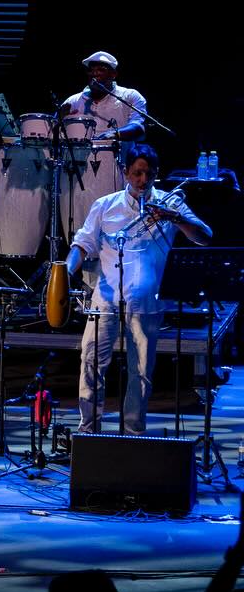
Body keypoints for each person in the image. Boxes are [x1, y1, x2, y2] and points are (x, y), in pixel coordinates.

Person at [65, 143, 211, 433]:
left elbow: (205, 236)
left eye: (149, 174)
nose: (143, 180)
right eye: (137, 174)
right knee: (91, 364)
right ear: (124, 173)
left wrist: (174, 218)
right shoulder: (105, 205)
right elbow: (82, 244)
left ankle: (134, 432)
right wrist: (63, 272)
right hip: (105, 300)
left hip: (146, 303)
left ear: (157, 173)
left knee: (142, 372)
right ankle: (88, 430)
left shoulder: (170, 203)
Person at [60, 51, 146, 143]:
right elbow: (52, 134)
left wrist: (115, 134)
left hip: (119, 156)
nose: (94, 73)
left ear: (114, 74)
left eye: (101, 69)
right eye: (90, 70)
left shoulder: (130, 96)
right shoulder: (72, 101)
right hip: (80, 157)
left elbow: (138, 127)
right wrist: (60, 122)